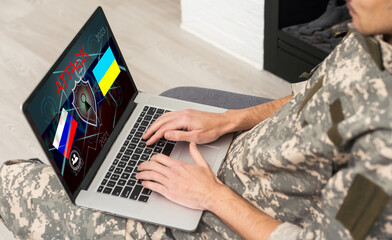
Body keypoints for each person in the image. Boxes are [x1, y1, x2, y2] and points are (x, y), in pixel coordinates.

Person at [1, 0, 391, 239]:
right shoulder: (373, 32)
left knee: (9, 182)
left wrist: (211, 195)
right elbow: (309, 97)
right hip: (231, 160)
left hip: (225, 218)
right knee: (85, 164)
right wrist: (231, 121)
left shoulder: (383, 140)